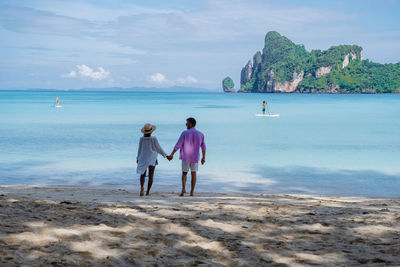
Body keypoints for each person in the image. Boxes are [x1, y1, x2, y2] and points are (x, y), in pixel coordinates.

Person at [167, 117, 206, 197]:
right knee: (193, 174)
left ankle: (183, 189)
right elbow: (203, 147)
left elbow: (178, 144)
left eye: (187, 123)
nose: (186, 125)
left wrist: (172, 154)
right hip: (195, 157)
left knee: (184, 173)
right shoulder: (200, 134)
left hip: (186, 156)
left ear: (191, 124)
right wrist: (203, 158)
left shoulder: (185, 133)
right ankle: (192, 192)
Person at [136, 123, 167, 196]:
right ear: (151, 131)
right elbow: (159, 148)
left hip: (143, 158)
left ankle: (142, 188)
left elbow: (139, 149)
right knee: (151, 176)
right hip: (152, 158)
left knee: (142, 174)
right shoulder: (153, 138)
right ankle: (147, 192)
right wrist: (165, 155)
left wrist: (137, 158)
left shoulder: (141, 139)